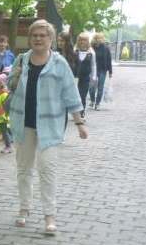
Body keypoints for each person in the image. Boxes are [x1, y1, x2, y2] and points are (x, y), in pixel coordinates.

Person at [7, 20, 88, 233]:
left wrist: (79, 122)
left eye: (42, 35)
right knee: (23, 168)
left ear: (51, 39)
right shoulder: (21, 60)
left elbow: (71, 94)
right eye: (34, 35)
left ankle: (49, 215)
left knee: (47, 169)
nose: (38, 39)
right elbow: (10, 86)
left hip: (50, 125)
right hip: (23, 123)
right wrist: (14, 77)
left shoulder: (59, 64)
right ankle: (24, 208)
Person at [74, 34, 96, 115]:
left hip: (86, 77)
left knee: (83, 95)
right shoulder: (75, 51)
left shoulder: (91, 52)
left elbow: (93, 65)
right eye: (81, 40)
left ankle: (81, 112)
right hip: (75, 77)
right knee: (76, 95)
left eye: (84, 40)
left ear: (87, 41)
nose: (82, 42)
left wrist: (94, 77)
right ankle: (76, 111)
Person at [92, 32, 114, 110]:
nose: (99, 40)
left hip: (102, 70)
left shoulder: (106, 48)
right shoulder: (92, 48)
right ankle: (92, 100)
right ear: (95, 39)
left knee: (100, 87)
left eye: (101, 38)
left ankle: (97, 104)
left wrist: (110, 71)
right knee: (92, 87)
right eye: (97, 38)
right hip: (93, 70)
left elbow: (109, 60)